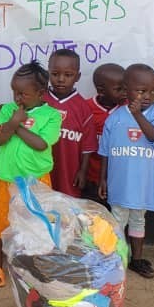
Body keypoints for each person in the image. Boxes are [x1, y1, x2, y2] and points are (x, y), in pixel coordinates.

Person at [0, 62, 62, 288]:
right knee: (0, 220)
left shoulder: (51, 115)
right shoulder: (8, 110)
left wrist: (17, 126)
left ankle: (30, 265)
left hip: (35, 181)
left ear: (40, 93)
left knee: (34, 223)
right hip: (6, 178)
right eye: (14, 91)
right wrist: (12, 120)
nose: (17, 97)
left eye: (23, 93)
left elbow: (40, 144)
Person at [98, 64, 154, 279]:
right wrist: (103, 179)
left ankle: (137, 259)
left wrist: (138, 115)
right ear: (126, 90)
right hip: (120, 184)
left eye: (153, 91)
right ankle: (116, 259)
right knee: (117, 221)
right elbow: (105, 151)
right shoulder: (115, 117)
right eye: (140, 90)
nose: (147, 96)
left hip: (143, 185)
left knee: (138, 221)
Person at [44, 49, 94, 197]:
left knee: (67, 211)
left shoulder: (83, 108)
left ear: (77, 76)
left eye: (68, 75)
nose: (60, 79)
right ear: (48, 73)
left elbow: (88, 146)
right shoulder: (40, 101)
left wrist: (83, 171)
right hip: (41, 170)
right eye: (55, 74)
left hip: (69, 171)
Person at [84, 63, 126, 205]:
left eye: (126, 87)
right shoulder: (85, 108)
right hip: (91, 177)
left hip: (118, 178)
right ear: (101, 90)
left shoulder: (129, 109)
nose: (125, 93)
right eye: (119, 89)